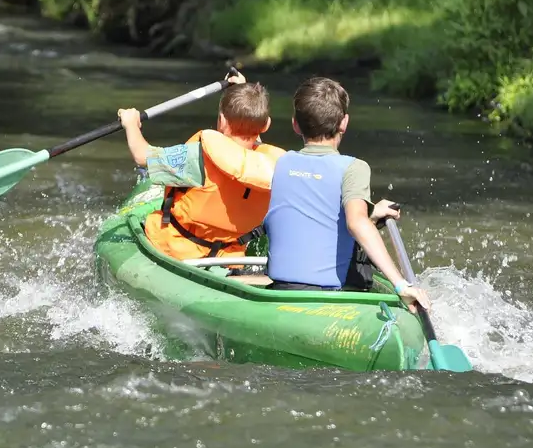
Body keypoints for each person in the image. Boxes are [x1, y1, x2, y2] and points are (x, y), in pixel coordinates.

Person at [263, 76, 430, 313]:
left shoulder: (281, 162)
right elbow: (355, 223)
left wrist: (370, 213)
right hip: (331, 297)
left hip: (281, 288)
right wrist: (401, 285)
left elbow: (314, 211)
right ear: (344, 123)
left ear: (295, 125)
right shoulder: (354, 167)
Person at [116, 71, 286, 261]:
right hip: (228, 259)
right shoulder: (272, 168)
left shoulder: (197, 156)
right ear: (266, 125)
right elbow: (252, 138)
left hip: (176, 250)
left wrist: (131, 124)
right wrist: (241, 90)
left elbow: (142, 156)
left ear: (221, 121)